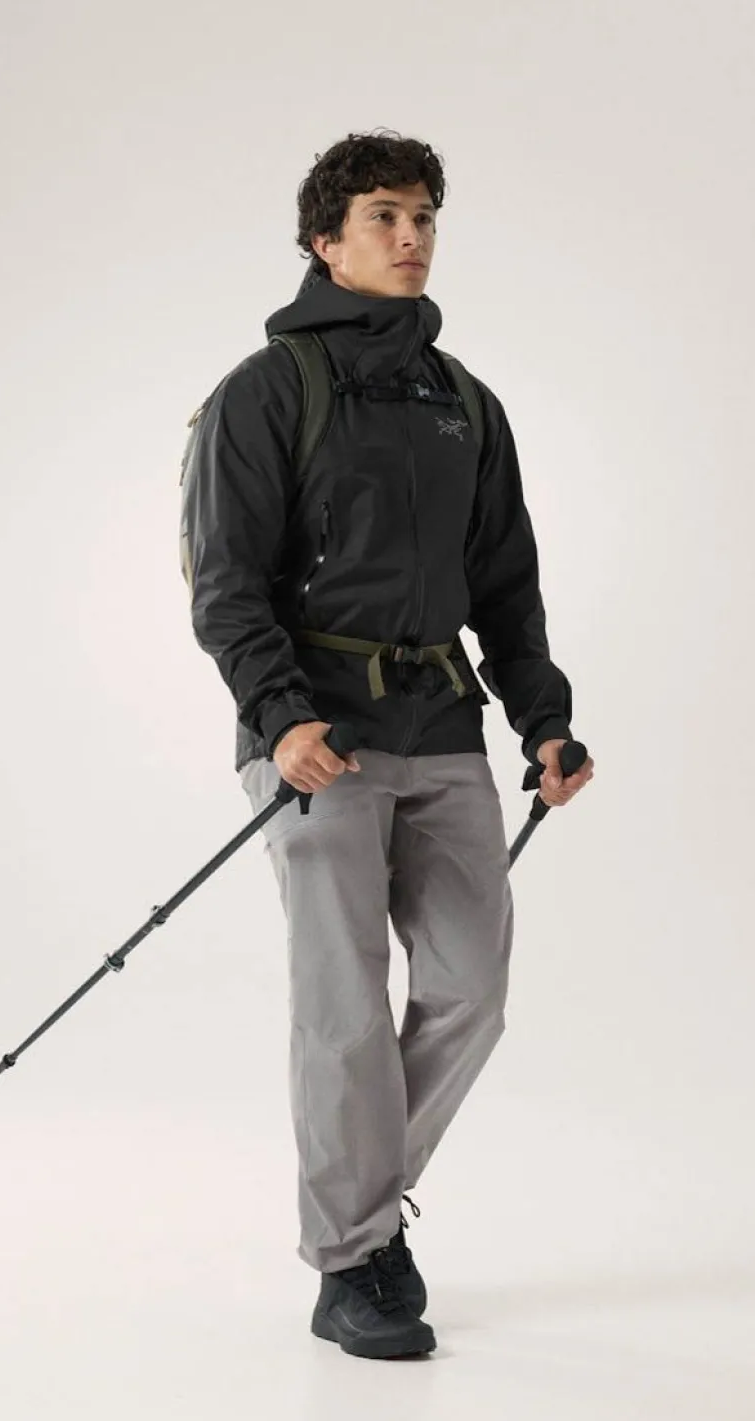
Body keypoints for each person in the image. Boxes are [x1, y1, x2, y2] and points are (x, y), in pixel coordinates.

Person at [179, 129, 595, 1361]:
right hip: (318, 738)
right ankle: (355, 1255)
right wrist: (279, 714)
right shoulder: (266, 390)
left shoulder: (464, 401)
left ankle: (354, 1204)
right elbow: (225, 583)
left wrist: (544, 718)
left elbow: (505, 585)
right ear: (325, 240)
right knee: (345, 1006)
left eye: (423, 218)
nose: (410, 238)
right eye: (383, 217)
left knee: (472, 990)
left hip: (443, 725)